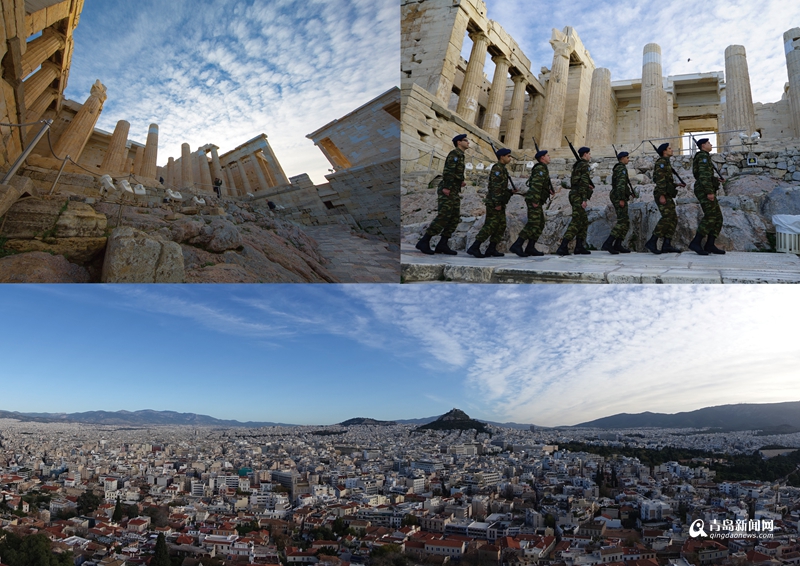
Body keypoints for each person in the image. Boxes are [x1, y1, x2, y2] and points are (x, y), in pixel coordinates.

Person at [416, 134, 469, 255]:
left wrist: (460, 181)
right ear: (459, 142)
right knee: (444, 216)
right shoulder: (454, 154)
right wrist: (447, 187)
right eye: (465, 140)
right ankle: (424, 241)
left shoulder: (461, 155)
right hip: (448, 189)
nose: (468, 143)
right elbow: (448, 171)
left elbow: (455, 172)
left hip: (454, 190)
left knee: (454, 217)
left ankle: (443, 243)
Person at [467, 148, 514, 258]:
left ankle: (491, 249)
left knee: (501, 226)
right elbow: (495, 187)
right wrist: (497, 203)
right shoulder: (497, 168)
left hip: (500, 202)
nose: (510, 158)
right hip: (494, 203)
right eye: (508, 156)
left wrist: (510, 192)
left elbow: (502, 188)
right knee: (490, 225)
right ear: (502, 157)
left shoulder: (503, 169)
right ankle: (475, 247)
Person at [509, 150, 554, 257]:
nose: (550, 157)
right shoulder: (540, 169)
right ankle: (517, 245)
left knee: (540, 223)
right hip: (534, 200)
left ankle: (530, 247)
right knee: (533, 223)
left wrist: (548, 190)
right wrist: (535, 200)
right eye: (548, 155)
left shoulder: (543, 168)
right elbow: (536, 185)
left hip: (537, 200)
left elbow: (541, 185)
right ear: (542, 158)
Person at [645, 143, 684, 254]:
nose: (672, 150)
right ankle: (652, 241)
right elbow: (660, 180)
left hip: (666, 193)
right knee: (667, 217)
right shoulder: (661, 163)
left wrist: (676, 185)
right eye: (669, 149)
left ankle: (667, 244)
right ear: (664, 151)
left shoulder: (666, 162)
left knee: (673, 218)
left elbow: (666, 181)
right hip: (662, 194)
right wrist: (662, 195)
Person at [689, 138, 726, 254]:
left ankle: (710, 244)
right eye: (709, 143)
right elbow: (703, 176)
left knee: (718, 217)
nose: (711, 144)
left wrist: (716, 180)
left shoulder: (705, 156)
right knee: (710, 215)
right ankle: (696, 242)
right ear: (703, 145)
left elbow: (705, 175)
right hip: (704, 190)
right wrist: (709, 192)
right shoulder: (702, 156)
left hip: (705, 188)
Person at [556, 146, 593, 256]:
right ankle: (563, 246)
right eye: (589, 154)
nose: (590, 156)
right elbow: (583, 183)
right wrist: (584, 199)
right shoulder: (584, 165)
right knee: (576, 221)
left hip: (575, 194)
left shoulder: (578, 165)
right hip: (578, 196)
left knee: (583, 221)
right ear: (585, 154)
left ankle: (579, 246)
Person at [602, 151, 633, 254]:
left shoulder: (621, 168)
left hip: (620, 195)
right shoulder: (621, 168)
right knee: (622, 221)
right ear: (622, 158)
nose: (628, 159)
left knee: (625, 222)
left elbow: (623, 185)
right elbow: (620, 185)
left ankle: (618, 244)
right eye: (627, 158)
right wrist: (621, 199)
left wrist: (629, 193)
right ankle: (608, 243)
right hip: (618, 197)